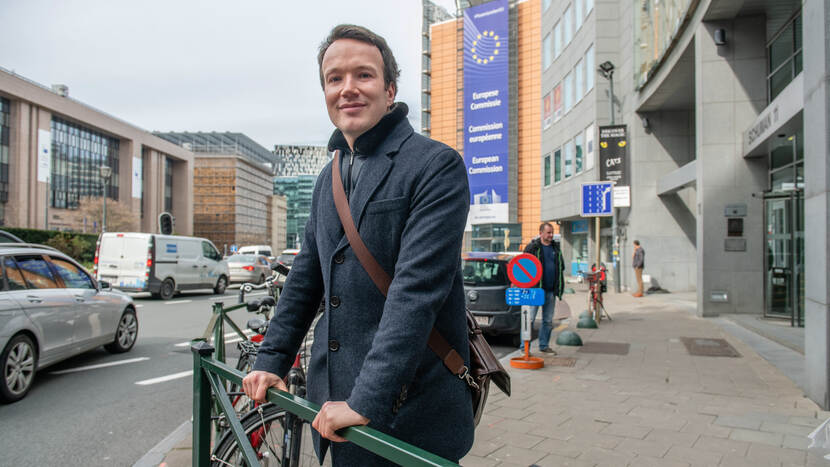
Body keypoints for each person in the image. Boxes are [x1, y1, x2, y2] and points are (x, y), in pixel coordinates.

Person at [241, 24, 474, 466]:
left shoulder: (435, 165)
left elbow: (416, 294)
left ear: (390, 91)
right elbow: (307, 276)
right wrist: (272, 357)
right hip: (334, 408)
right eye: (335, 78)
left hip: (408, 414)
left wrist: (365, 400)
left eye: (363, 76)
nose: (347, 89)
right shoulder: (327, 178)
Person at [522, 222, 565, 354]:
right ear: (541, 233)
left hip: (550, 291)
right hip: (535, 290)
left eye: (552, 232)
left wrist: (559, 287)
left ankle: (544, 346)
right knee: (529, 320)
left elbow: (561, 267)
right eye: (548, 232)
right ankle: (524, 348)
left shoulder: (555, 248)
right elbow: (523, 265)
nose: (551, 235)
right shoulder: (532, 247)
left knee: (547, 321)